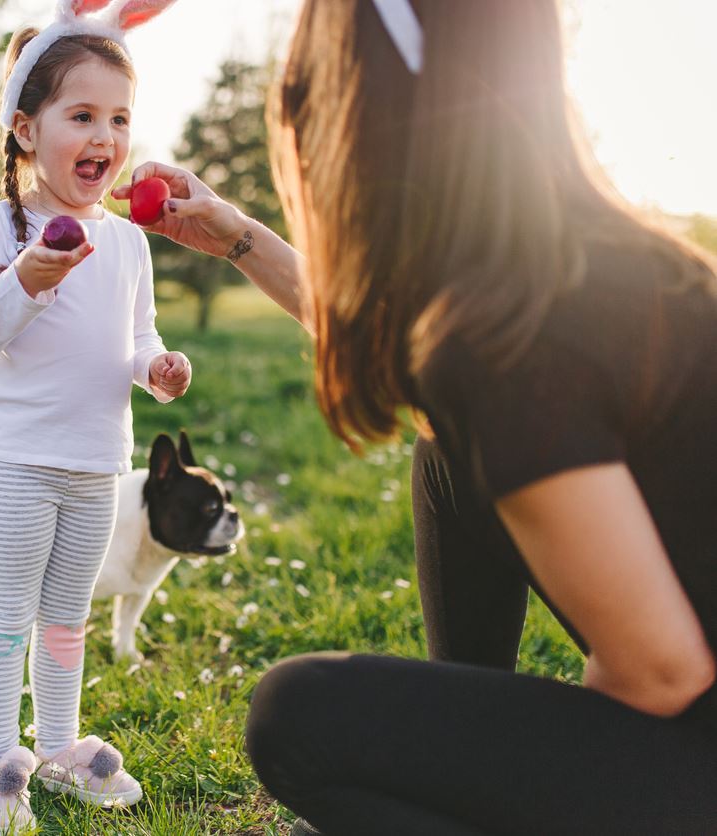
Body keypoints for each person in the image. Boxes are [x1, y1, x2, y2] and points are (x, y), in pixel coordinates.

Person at [112, 0, 717, 832]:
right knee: (445, 451)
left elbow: (659, 675)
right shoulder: (578, 267)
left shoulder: (516, 344)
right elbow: (406, 351)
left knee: (299, 715)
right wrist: (241, 237)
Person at [0, 1, 188, 831]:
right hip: (15, 462)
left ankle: (54, 748)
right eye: (81, 115)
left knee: (66, 618)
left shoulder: (128, 242)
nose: (105, 137)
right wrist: (29, 277)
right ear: (25, 128)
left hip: (97, 467)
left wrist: (154, 369)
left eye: (119, 118)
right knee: (7, 618)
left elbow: (137, 335)